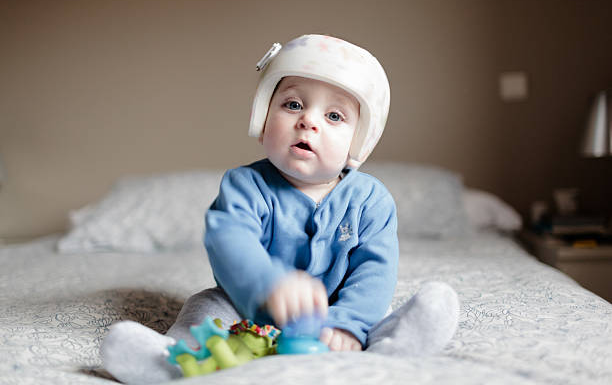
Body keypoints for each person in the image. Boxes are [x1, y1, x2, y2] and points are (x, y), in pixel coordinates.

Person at [101, 34, 460, 384]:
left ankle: (389, 354)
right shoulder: (244, 185)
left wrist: (346, 324)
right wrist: (269, 285)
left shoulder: (371, 200)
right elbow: (229, 240)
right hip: (248, 310)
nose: (309, 121)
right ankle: (174, 364)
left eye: (334, 116)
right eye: (293, 105)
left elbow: (374, 271)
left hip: (335, 315)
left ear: (359, 141)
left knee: (386, 309)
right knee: (205, 307)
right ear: (262, 118)